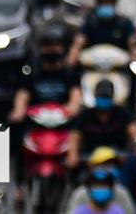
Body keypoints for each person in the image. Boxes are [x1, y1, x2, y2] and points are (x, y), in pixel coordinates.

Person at [10, 23, 84, 170]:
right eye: (47, 46)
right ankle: (19, 180)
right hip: (36, 119)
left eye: (55, 46)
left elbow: (75, 94)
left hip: (62, 119)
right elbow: (22, 94)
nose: (51, 50)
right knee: (15, 132)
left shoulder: (69, 73)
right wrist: (19, 111)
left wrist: (72, 108)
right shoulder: (32, 71)